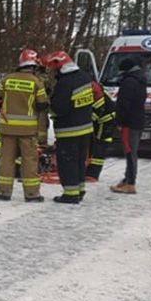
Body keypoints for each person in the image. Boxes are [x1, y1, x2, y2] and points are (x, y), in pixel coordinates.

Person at [43, 51, 98, 204]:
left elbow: (59, 108)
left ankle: (70, 194)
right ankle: (79, 190)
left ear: (59, 66)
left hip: (69, 130)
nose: (53, 71)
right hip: (86, 128)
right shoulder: (84, 77)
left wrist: (49, 105)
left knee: (68, 162)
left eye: (54, 68)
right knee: (80, 161)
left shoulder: (65, 83)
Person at [0, 49, 49, 202]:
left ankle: (4, 192)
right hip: (28, 130)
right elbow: (42, 105)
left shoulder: (7, 79)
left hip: (7, 128)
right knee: (29, 161)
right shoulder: (36, 82)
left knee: (6, 160)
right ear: (33, 66)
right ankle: (32, 194)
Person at [110, 58, 147, 194]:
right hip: (137, 120)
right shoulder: (140, 79)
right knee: (131, 151)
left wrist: (119, 121)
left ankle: (130, 182)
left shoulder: (129, 82)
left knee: (130, 151)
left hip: (129, 122)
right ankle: (127, 179)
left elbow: (123, 104)